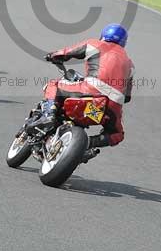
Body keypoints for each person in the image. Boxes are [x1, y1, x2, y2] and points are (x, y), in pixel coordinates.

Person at [31, 24, 134, 157]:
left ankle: (49, 115)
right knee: (117, 134)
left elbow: (68, 52)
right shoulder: (130, 64)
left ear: (103, 36)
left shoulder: (94, 44)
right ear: (123, 42)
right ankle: (88, 143)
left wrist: (53, 55)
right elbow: (127, 97)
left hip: (90, 89)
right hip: (112, 104)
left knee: (53, 84)